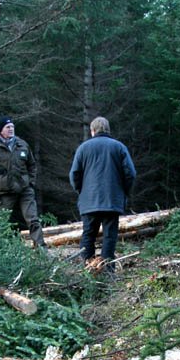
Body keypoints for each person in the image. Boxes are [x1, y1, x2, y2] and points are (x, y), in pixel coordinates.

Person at [69, 115, 136, 272]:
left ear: (92, 131)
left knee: (88, 234)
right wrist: (123, 191)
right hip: (112, 200)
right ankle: (107, 270)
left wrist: (81, 191)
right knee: (109, 236)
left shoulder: (83, 148)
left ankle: (86, 268)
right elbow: (130, 174)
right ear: (108, 130)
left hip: (89, 200)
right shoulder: (119, 147)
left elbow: (74, 175)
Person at [0, 115, 46, 248]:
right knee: (1, 222)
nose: (11, 129)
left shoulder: (22, 144)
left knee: (33, 219)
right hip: (5, 192)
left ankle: (41, 249)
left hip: (25, 189)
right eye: (8, 127)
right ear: (1, 130)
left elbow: (32, 165)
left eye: (12, 126)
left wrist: (31, 183)